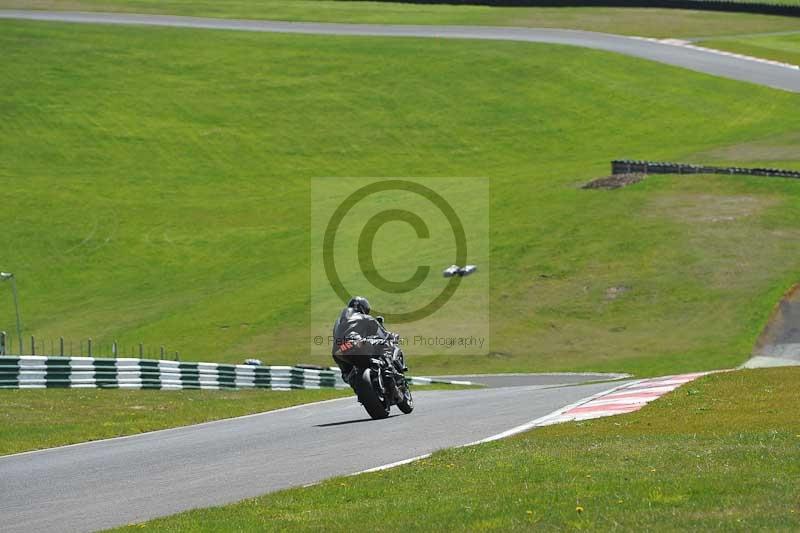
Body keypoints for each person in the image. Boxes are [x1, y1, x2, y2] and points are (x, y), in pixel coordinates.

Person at [331, 296, 404, 384]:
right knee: (387, 344)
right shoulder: (365, 318)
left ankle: (357, 382)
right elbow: (383, 334)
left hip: (340, 349)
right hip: (357, 343)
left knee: (348, 375)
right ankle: (392, 372)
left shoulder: (338, 322)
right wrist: (393, 337)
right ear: (364, 308)